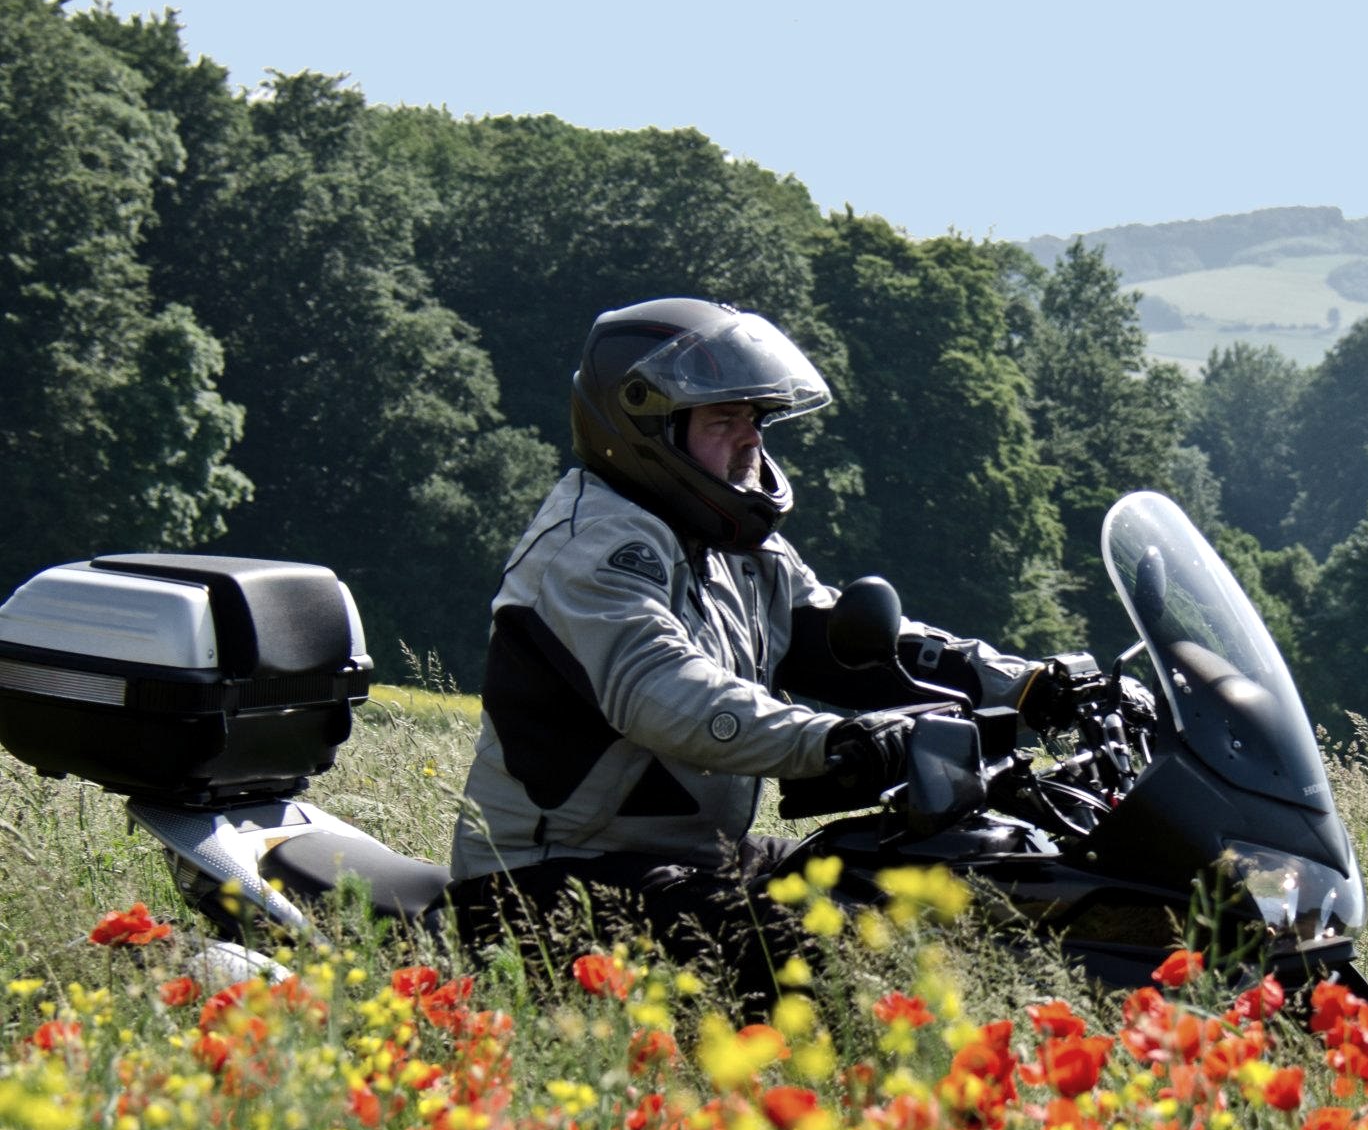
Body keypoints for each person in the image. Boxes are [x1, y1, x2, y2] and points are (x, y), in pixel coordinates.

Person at [448, 297, 1079, 998]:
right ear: (646, 429)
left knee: (921, 883)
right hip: (547, 880)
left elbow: (849, 641)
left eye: (755, 419)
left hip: (690, 859)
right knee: (821, 956)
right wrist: (834, 741)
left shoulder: (733, 545)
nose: (751, 440)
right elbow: (668, 694)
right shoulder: (593, 548)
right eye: (724, 421)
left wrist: (1031, 687)